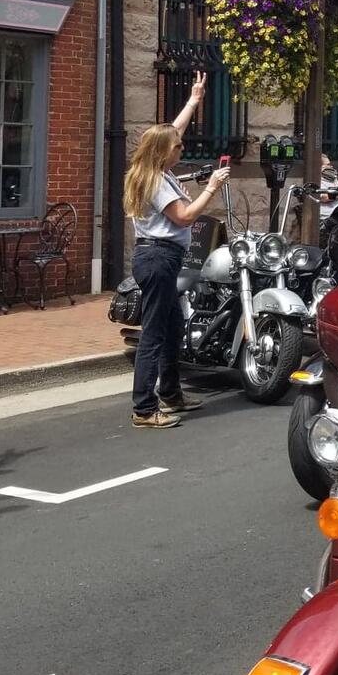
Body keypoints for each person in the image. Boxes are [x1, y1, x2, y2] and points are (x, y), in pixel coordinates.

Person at [122, 73, 229, 429]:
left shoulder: (153, 168)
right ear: (164, 152)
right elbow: (184, 217)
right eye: (178, 148)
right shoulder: (155, 181)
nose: (182, 148)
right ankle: (143, 408)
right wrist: (211, 188)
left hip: (157, 257)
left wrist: (194, 100)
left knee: (173, 323)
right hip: (158, 258)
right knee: (154, 332)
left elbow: (173, 132)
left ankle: (170, 393)